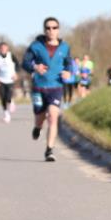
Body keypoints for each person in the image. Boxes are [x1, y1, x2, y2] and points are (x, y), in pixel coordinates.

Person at [22, 17, 72, 162]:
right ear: (44, 30)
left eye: (54, 27)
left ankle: (49, 150)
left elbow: (68, 63)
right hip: (39, 87)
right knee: (40, 117)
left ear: (58, 29)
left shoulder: (65, 47)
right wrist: (34, 67)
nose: (51, 30)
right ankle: (37, 127)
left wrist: (68, 72)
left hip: (56, 87)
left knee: (53, 116)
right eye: (48, 28)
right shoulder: (36, 46)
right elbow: (24, 62)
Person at [0, 42, 19, 123]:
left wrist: (16, 73)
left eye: (4, 48)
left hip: (10, 79)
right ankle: (6, 115)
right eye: (1, 48)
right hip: (1, 80)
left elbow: (17, 64)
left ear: (7, 49)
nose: (3, 49)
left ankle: (11, 102)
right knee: (3, 98)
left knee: (8, 97)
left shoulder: (11, 55)